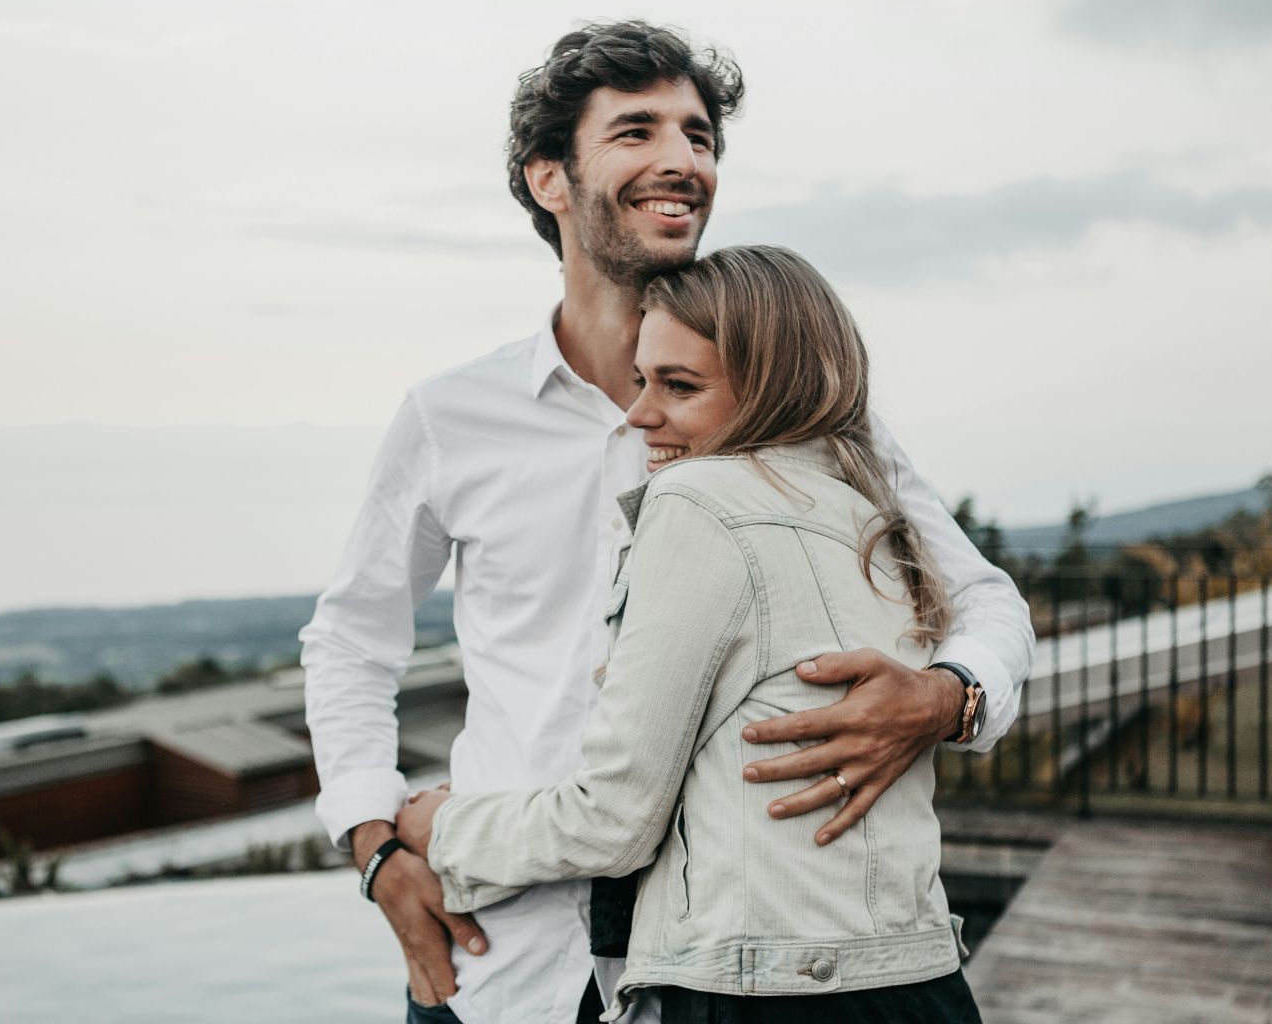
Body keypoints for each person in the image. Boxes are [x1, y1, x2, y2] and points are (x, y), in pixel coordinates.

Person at [300, 21, 1033, 1024]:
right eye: (638, 131)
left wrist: (947, 698)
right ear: (550, 178)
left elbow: (982, 597)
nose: (683, 161)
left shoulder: (805, 407)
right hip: (504, 961)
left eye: (699, 136)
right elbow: (350, 640)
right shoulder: (449, 416)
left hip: (719, 977)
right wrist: (374, 845)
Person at [396, 244, 986, 1023]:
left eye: (679, 386)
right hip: (918, 979)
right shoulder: (875, 515)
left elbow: (614, 821)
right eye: (643, 380)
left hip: (763, 994)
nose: (640, 415)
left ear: (774, 387)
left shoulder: (698, 502)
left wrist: (440, 828)